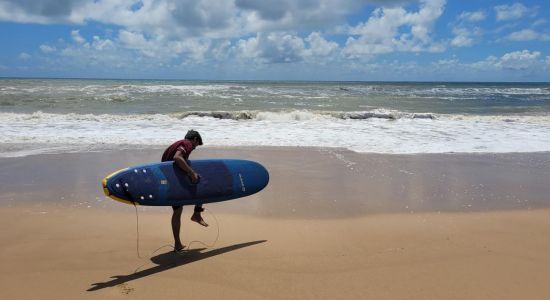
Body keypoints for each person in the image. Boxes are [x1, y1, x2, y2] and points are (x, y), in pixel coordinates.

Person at [161, 129, 208, 252]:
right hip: (174, 182)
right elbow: (177, 158)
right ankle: (197, 214)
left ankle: (177, 244)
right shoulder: (187, 143)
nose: (194, 148)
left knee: (178, 210)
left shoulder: (175, 144)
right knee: (201, 183)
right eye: (196, 146)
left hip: (169, 180)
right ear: (195, 140)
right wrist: (191, 173)